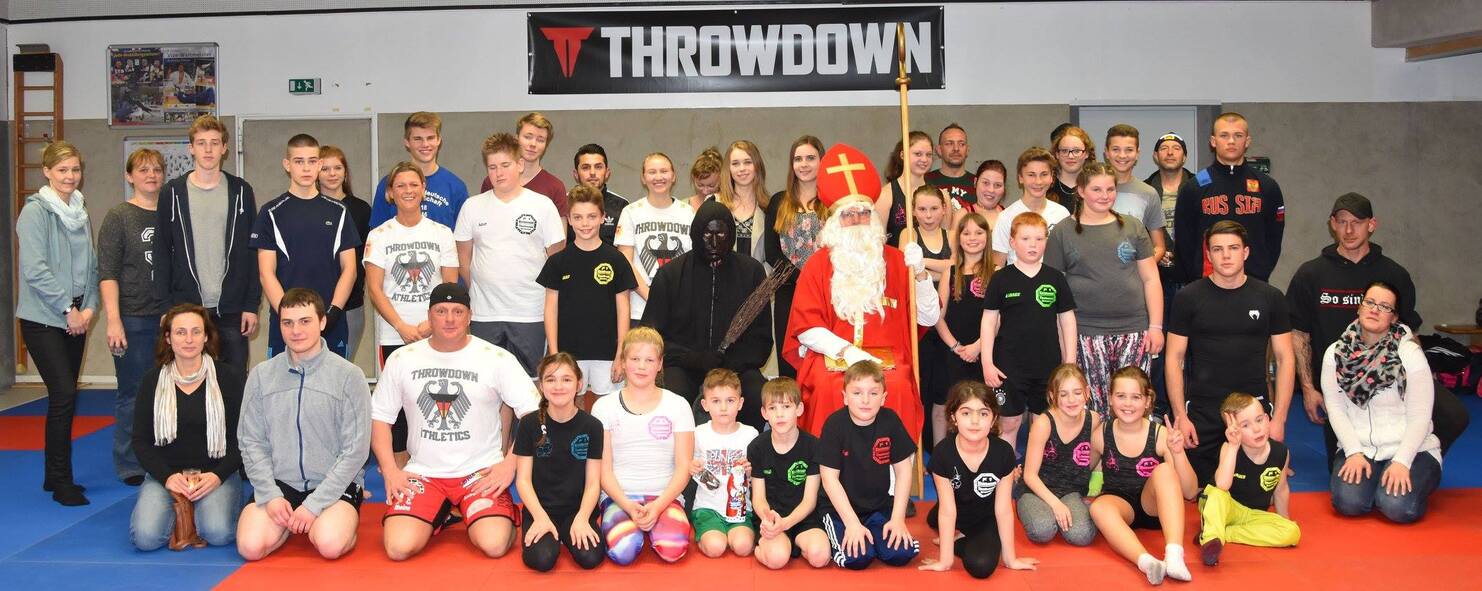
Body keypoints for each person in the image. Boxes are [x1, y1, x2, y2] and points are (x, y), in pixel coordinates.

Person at [1287, 192, 1467, 465]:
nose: (1349, 230)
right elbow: (1298, 335)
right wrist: (1309, 389)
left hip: (1392, 376)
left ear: (1372, 224)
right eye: (1342, 221)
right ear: (1332, 223)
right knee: (1344, 475)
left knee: (1455, 415)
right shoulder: (1311, 274)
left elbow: (1410, 332)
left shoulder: (1394, 274)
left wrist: (1421, 378)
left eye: (1357, 222)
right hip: (1342, 385)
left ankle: (1417, 463)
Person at [371, 282, 541, 561]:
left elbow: (534, 413)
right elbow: (380, 417)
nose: (450, 319)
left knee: (494, 545)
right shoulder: (403, 359)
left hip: (480, 472)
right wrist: (391, 470)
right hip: (424, 473)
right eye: (441, 311)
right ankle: (439, 512)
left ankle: (484, 511)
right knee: (398, 548)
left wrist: (509, 464)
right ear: (429, 316)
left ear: (469, 316)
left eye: (457, 311)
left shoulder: (496, 358)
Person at [784, 143, 940, 440]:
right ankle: (830, 474)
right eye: (848, 215)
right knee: (830, 389)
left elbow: (930, 318)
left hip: (888, 362)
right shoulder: (818, 265)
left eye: (863, 213)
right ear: (834, 223)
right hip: (832, 360)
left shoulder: (896, 261)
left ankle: (892, 474)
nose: (856, 220)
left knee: (897, 389)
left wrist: (920, 274)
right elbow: (806, 329)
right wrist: (848, 352)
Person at [236, 289, 370, 561]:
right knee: (250, 547)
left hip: (331, 485)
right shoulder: (262, 375)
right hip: (280, 483)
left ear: (322, 323)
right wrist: (270, 494)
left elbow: (355, 451)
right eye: (288, 323)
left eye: (305, 321)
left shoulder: (349, 376)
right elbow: (250, 441)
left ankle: (339, 521)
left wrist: (314, 506)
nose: (296, 330)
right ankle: (286, 525)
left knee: (330, 544)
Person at [1165, 221, 1294, 484]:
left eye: (1233, 248)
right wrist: (1181, 416)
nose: (1226, 255)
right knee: (1195, 490)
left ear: (1246, 252)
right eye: (1218, 249)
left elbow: (1285, 359)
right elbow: (1174, 359)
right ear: (1208, 254)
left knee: (1253, 492)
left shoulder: (1270, 297)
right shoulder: (1188, 297)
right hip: (1203, 411)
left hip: (1252, 411)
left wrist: (1278, 419)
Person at [18, 141, 101, 506]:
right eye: (63, 170)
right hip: (45, 319)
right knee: (64, 394)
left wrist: (89, 309)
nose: (70, 176)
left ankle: (54, 477)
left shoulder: (79, 211)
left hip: (77, 317)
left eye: (75, 170)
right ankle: (62, 480)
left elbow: (92, 267)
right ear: (47, 172)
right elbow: (35, 269)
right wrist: (68, 308)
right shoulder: (35, 213)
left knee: (64, 398)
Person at [1045, 162, 1163, 416]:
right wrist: (1062, 339)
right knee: (1094, 406)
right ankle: (1098, 455)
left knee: (1133, 403)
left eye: (1110, 189)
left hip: (1134, 329)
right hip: (1085, 332)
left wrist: (1155, 326)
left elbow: (1151, 279)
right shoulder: (1062, 232)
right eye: (1096, 189)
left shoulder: (1133, 227)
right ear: (1081, 190)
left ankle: (1135, 454)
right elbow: (1053, 291)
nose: (1104, 195)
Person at [363, 162, 460, 465]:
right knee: (399, 407)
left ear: (423, 190)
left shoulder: (442, 233)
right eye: (401, 186)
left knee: (435, 403)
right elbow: (375, 288)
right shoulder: (379, 235)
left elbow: (450, 283)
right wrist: (402, 325)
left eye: (414, 185)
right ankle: (403, 479)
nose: (408, 191)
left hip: (437, 331)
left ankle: (439, 473)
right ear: (390, 193)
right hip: (395, 332)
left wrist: (431, 323)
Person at [642, 201, 771, 428]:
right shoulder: (671, 274)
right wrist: (692, 358)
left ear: (730, 234)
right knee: (674, 395)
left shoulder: (751, 272)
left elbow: (761, 339)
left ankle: (748, 455)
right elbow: (652, 337)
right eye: (706, 234)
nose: (713, 242)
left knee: (756, 393)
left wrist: (731, 362)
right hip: (684, 366)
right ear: (695, 234)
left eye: (720, 233)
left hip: (735, 368)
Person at [1324, 282, 1442, 524]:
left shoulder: (1409, 353)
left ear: (1394, 317)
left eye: (1384, 306)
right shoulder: (1335, 353)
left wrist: (1401, 462)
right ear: (1359, 307)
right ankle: (1377, 483)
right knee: (1348, 503)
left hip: (1412, 449)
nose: (1374, 310)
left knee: (1398, 507)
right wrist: (1353, 452)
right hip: (1361, 448)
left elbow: (1421, 415)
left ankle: (1407, 481)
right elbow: (1335, 408)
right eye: (1369, 302)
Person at [130, 304, 245, 550]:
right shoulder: (152, 381)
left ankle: (192, 511)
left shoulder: (229, 378)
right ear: (168, 338)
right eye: (180, 332)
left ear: (206, 336)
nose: (189, 339)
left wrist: (217, 476)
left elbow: (244, 440)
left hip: (216, 473)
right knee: (145, 540)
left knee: (218, 533)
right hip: (167, 474)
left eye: (196, 331)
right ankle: (179, 508)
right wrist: (167, 478)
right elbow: (140, 441)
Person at [154, 115, 259, 374]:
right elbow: (161, 252)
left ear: (224, 148)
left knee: (233, 381)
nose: (208, 149)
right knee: (189, 380)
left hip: (232, 308)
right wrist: (166, 307)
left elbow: (252, 253)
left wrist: (250, 304)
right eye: (201, 143)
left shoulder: (241, 191)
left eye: (215, 143)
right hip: (187, 307)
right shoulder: (173, 193)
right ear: (191, 148)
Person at [455, 132, 565, 376]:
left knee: (530, 383)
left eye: (505, 165)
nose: (499, 173)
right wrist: (481, 288)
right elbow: (463, 260)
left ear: (520, 165)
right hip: (485, 313)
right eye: (492, 167)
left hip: (530, 313)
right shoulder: (472, 207)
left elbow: (556, 262)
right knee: (486, 384)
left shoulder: (543, 206)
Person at [251, 134, 361, 358]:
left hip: (330, 323)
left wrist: (331, 314)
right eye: (299, 161)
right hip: (286, 327)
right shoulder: (270, 212)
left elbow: (349, 269)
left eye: (312, 161)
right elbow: (266, 273)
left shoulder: (339, 212)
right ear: (287, 165)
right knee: (284, 391)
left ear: (319, 164)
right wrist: (290, 319)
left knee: (332, 391)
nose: (306, 168)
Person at [594, 327, 696, 565]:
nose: (641, 366)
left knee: (673, 551)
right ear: (623, 361)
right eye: (635, 359)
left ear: (660, 364)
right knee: (623, 552)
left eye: (649, 360)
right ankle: (627, 525)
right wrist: (629, 507)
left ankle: (657, 525)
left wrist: (659, 506)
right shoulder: (603, 407)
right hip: (619, 497)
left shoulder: (678, 405)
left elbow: (684, 467)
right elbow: (603, 471)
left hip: (665, 496)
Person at [1089, 367, 1198, 585]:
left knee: (1165, 470)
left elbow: (1190, 491)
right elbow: (1081, 471)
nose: (1128, 404)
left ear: (1148, 401)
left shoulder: (1161, 435)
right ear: (1110, 399)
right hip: (1121, 505)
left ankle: (1174, 555)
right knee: (1098, 508)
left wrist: (1177, 453)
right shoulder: (1102, 433)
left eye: (1136, 397)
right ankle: (1147, 562)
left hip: (1153, 506)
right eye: (1121, 396)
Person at [919, 381, 1037, 579]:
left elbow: (1003, 509)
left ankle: (960, 540)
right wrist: (945, 560)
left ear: (993, 419)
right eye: (966, 413)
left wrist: (1011, 559)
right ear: (953, 417)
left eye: (983, 413)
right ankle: (951, 532)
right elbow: (948, 512)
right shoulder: (942, 454)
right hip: (954, 507)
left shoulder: (1003, 452)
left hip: (985, 517)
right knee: (936, 518)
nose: (975, 421)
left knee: (980, 566)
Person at [99, 148, 167, 487]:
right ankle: (130, 463)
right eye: (143, 170)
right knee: (133, 392)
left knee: (169, 391)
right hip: (133, 316)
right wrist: (114, 320)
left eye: (156, 169)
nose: (151, 175)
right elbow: (108, 272)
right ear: (130, 176)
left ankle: (164, 454)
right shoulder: (119, 216)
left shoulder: (170, 214)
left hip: (169, 318)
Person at [982, 212, 1078, 441]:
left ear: (1046, 241)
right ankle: (1007, 474)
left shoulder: (1055, 278)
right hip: (1009, 365)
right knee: (1010, 421)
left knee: (1042, 421)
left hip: (1048, 364)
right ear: (1012, 242)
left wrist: (1070, 361)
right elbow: (989, 321)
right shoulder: (1001, 279)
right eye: (1025, 239)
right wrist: (987, 362)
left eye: (1038, 239)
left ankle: (1036, 472)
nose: (1032, 245)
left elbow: (1067, 320)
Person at [816, 361, 920, 569]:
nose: (865, 400)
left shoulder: (890, 421)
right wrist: (852, 524)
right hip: (839, 510)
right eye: (857, 393)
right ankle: (855, 534)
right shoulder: (834, 425)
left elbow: (903, 471)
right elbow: (829, 479)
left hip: (878, 507)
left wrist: (898, 518)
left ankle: (873, 533)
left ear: (883, 398)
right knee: (858, 558)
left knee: (901, 554)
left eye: (873, 393)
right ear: (845, 397)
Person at [538, 185, 637, 401]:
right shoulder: (557, 262)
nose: (585, 223)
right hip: (568, 352)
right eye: (578, 217)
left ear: (603, 217)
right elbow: (550, 310)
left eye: (592, 216)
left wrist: (621, 352)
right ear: (569, 220)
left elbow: (623, 309)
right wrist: (554, 354)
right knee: (568, 405)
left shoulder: (616, 259)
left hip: (607, 352)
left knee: (609, 408)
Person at [514, 353, 607, 571]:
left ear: (579, 384)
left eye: (566, 379)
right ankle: (551, 534)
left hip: (577, 509)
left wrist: (583, 518)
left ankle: (569, 532)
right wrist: (539, 517)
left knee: (591, 558)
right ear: (541, 385)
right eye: (550, 379)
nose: (558, 386)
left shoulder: (592, 425)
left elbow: (594, 482)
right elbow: (523, 480)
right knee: (542, 560)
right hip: (540, 508)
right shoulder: (529, 424)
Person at [1173, 112, 1286, 283]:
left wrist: (1260, 272)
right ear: (1213, 141)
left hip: (1254, 283)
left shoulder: (1267, 186)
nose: (1231, 141)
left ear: (1247, 141)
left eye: (1238, 135)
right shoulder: (1194, 187)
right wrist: (1196, 278)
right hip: (1206, 284)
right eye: (1224, 135)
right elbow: (1184, 241)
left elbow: (1274, 238)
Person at [1197, 392, 1299, 567]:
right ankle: (1211, 537)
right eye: (1246, 425)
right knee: (1214, 494)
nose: (1257, 429)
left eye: (1259, 420)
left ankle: (1223, 534)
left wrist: (1283, 520)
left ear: (1268, 419)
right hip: (1225, 507)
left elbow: (1281, 489)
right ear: (1233, 430)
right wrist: (1233, 446)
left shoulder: (1281, 452)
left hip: (1253, 515)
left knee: (1292, 532)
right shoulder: (1228, 448)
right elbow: (1222, 485)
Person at [748, 377, 830, 569]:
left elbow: (810, 500)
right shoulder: (757, 447)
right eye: (773, 408)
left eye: (786, 406)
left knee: (820, 557)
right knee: (777, 559)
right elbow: (758, 498)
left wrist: (787, 523)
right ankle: (762, 547)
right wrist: (769, 519)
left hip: (804, 517)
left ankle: (797, 545)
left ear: (799, 409)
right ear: (764, 413)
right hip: (772, 518)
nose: (780, 414)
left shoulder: (813, 446)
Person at [926, 212, 991, 446]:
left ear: (987, 236)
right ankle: (939, 453)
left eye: (978, 232)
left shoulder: (997, 271)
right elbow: (937, 316)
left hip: (983, 349)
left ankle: (979, 450)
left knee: (981, 404)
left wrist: (978, 346)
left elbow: (999, 318)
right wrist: (955, 346)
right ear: (959, 238)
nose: (972, 238)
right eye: (966, 233)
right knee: (942, 403)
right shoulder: (950, 272)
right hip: (951, 349)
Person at [766, 136, 827, 379]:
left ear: (822, 161)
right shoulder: (779, 201)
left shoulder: (832, 203)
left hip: (825, 293)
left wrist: (815, 280)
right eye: (798, 159)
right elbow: (772, 252)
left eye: (810, 158)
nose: (804, 164)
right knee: (789, 362)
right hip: (789, 292)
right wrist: (801, 278)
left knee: (820, 361)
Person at [1019, 364, 1099, 547]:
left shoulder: (1093, 419)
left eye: (1077, 393)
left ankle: (1081, 509)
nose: (1072, 400)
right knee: (1042, 529)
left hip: (1070, 491)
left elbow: (1094, 457)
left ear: (1087, 393)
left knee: (1082, 535)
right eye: (1064, 394)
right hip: (1036, 490)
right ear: (1052, 396)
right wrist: (1055, 505)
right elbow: (1030, 476)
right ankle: (1042, 511)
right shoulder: (1043, 424)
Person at [689, 369, 760, 558]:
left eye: (730, 400)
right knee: (715, 548)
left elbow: (758, 477)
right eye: (716, 401)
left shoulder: (751, 434)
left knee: (743, 547)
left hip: (740, 509)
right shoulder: (699, 433)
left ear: (740, 403)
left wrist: (750, 471)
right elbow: (688, 465)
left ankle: (733, 534)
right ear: (705, 405)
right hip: (707, 507)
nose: (723, 408)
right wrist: (692, 466)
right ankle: (710, 535)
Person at [616, 153, 694, 323]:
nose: (658, 177)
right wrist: (652, 297)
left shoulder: (688, 213)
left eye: (664, 171)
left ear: (673, 176)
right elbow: (625, 261)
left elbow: (693, 261)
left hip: (678, 309)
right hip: (640, 309)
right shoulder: (631, 212)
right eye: (652, 172)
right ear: (643, 178)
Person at [369, 111, 470, 230]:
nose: (425, 144)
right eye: (418, 139)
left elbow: (463, 238)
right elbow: (377, 234)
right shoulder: (389, 184)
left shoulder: (456, 187)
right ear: (407, 142)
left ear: (438, 140)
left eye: (430, 138)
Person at [318, 145, 372, 360]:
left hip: (351, 306)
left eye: (337, 168)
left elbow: (367, 258)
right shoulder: (308, 207)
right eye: (325, 168)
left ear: (345, 172)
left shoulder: (361, 210)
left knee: (342, 367)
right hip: (314, 302)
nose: (332, 174)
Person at [991, 147, 1072, 268]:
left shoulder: (1062, 214)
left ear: (1051, 177)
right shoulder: (1006, 217)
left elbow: (1068, 258)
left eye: (1044, 174)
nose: (1038, 181)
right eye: (1031, 175)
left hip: (1054, 284)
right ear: (1020, 178)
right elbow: (997, 265)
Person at [481, 112, 568, 218]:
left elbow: (560, 233)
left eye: (540, 140)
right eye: (528, 137)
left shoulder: (555, 187)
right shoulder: (494, 180)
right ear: (517, 138)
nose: (533, 144)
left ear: (546, 145)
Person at [1104, 124, 1169, 264]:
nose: (1122, 155)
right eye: (1116, 149)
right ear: (1106, 153)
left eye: (1129, 150)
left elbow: (1159, 246)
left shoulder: (1148, 193)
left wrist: (1140, 269)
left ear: (1137, 153)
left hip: (1134, 280)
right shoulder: (1091, 189)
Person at [715, 140, 769, 264]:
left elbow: (772, 258)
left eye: (748, 162)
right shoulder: (714, 204)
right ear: (728, 169)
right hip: (722, 281)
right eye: (735, 164)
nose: (742, 169)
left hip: (759, 281)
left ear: (757, 166)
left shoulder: (769, 208)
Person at [876, 131, 933, 247]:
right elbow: (878, 242)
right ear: (902, 155)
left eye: (929, 154)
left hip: (931, 264)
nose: (924, 159)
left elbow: (947, 241)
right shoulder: (886, 195)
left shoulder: (940, 195)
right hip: (898, 263)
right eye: (918, 154)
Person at [571, 143, 631, 244]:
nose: (592, 172)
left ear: (607, 173)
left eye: (598, 167)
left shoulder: (622, 206)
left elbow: (625, 250)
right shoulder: (564, 203)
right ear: (576, 174)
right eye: (586, 167)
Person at [924, 123, 975, 212]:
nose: (956, 148)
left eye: (961, 144)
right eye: (949, 143)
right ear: (939, 150)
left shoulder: (978, 184)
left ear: (967, 150)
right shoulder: (925, 181)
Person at [911, 185, 953, 282]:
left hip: (948, 296)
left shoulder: (951, 236)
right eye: (922, 209)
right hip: (920, 296)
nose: (928, 215)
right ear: (913, 210)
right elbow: (908, 269)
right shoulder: (909, 234)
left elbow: (957, 268)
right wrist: (945, 274)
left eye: (934, 208)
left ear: (944, 209)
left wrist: (921, 262)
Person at [1049, 126, 1094, 207]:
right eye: (1064, 151)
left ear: (1086, 153)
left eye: (1076, 151)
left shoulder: (1096, 185)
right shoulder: (1045, 186)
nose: (1070, 156)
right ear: (1057, 154)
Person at [968, 159, 1008, 230]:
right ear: (975, 182)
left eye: (998, 185)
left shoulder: (1010, 216)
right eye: (986, 183)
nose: (991, 190)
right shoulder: (962, 215)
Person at [684, 147, 724, 212]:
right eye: (700, 185)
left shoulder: (730, 205)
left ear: (721, 181)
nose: (705, 191)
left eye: (711, 186)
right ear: (693, 178)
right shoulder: (683, 206)